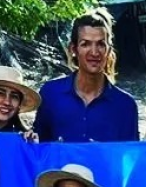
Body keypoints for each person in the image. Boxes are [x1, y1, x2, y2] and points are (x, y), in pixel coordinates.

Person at [34, 8, 139, 142]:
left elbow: (130, 159)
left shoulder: (125, 106)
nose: (94, 52)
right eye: (86, 44)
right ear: (73, 49)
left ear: (108, 50)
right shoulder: (50, 94)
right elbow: (37, 151)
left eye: (101, 44)